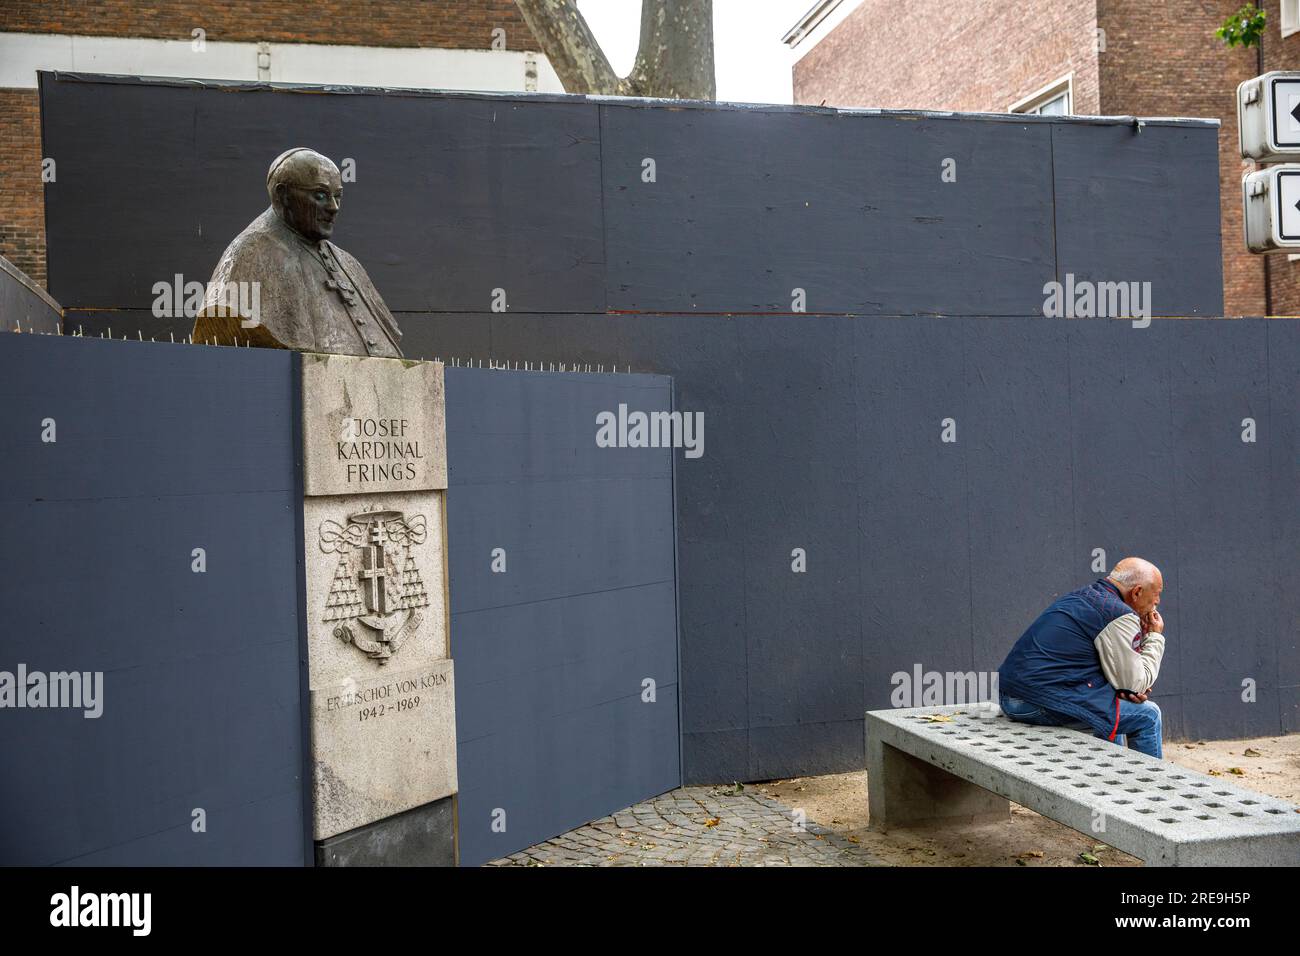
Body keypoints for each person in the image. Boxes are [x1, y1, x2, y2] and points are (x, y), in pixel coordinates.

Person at [195, 147, 403, 357]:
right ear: (283, 194)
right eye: (320, 195)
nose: (334, 207)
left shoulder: (347, 262)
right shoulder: (250, 253)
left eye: (338, 196)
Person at [996, 557, 1166, 757]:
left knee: (1111, 708)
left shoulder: (1084, 596)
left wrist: (1125, 687)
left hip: (1010, 696)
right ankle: (1150, 787)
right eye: (1157, 595)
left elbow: (1121, 681)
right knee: (1149, 716)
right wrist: (1154, 637)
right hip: (1034, 703)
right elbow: (1135, 683)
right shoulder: (1118, 614)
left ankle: (1111, 776)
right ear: (1137, 592)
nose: (1157, 603)